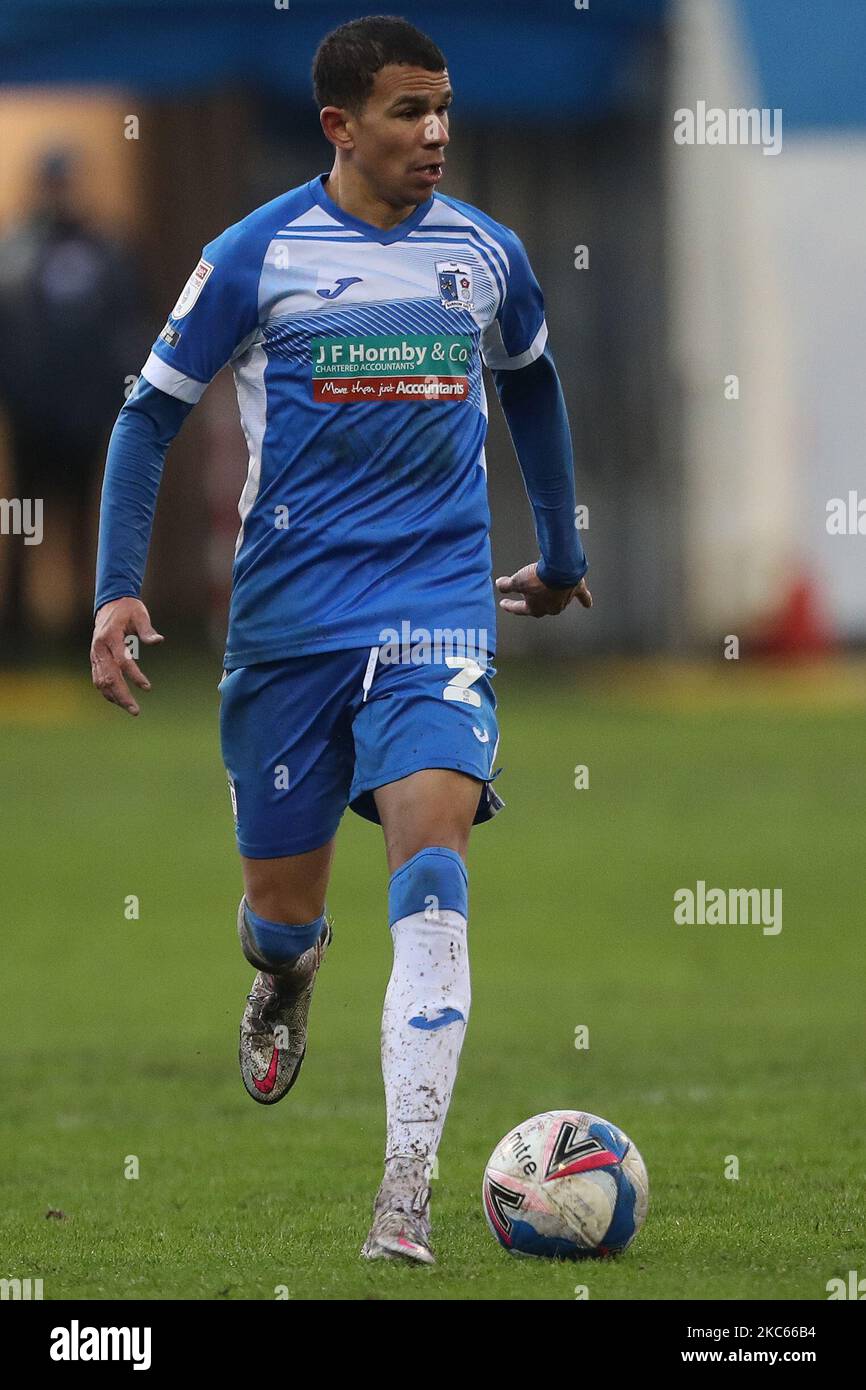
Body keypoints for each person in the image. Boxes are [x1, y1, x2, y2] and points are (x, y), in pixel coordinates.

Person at [91, 15, 590, 1265]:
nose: (433, 135)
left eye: (444, 110)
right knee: (283, 907)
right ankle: (284, 968)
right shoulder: (255, 255)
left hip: (437, 613)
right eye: (407, 113)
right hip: (289, 627)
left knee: (433, 864)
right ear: (338, 126)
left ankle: (404, 1196)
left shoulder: (484, 255)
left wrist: (564, 552)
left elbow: (529, 379)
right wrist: (114, 592)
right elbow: (146, 418)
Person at [0, 148, 142, 647]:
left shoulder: (103, 249)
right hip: (33, 415)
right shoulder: (16, 250)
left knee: (85, 524)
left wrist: (115, 395)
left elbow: (126, 325)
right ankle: (16, 629)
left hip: (83, 415)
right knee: (26, 521)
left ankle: (88, 627)